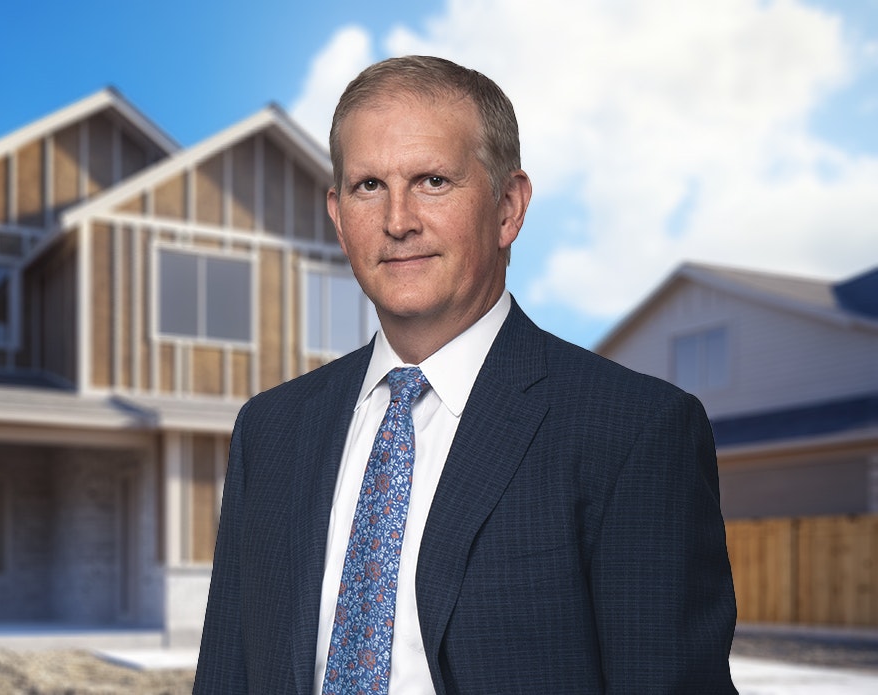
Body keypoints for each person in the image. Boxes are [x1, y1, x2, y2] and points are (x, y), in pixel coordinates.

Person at [194, 55, 737, 694]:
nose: (398, 221)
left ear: (508, 207)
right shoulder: (270, 430)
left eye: (432, 181)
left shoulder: (633, 432)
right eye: (369, 186)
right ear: (338, 218)